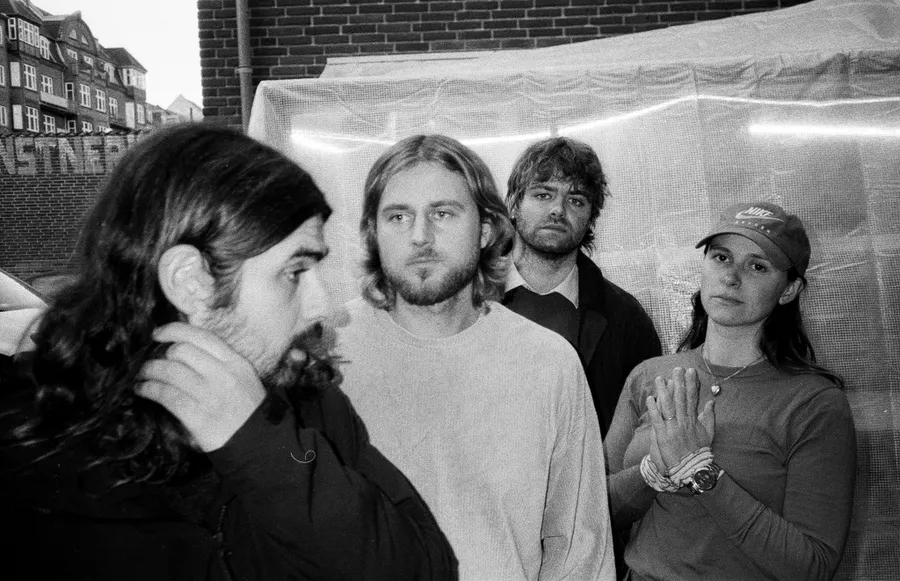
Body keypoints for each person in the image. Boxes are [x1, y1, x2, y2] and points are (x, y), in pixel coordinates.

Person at [0, 124, 457, 581]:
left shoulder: (309, 404)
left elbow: (426, 569)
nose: (326, 309)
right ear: (190, 281)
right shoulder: (37, 452)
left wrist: (264, 450)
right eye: (294, 272)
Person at [336, 134, 615, 580]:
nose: (420, 236)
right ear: (374, 232)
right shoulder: (324, 359)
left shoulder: (548, 365)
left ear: (485, 229)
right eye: (398, 216)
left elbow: (580, 553)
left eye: (442, 213)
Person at [605, 201, 856, 581]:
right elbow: (592, 512)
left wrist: (701, 472)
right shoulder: (649, 377)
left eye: (757, 266)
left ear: (788, 289)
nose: (731, 277)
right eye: (721, 257)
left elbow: (813, 566)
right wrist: (653, 472)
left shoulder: (813, 404)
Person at [503, 137, 661, 438]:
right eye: (543, 195)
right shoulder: (468, 300)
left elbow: (643, 433)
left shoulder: (626, 319)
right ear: (514, 203)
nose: (557, 210)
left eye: (576, 200)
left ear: (591, 217)